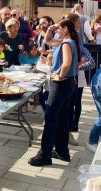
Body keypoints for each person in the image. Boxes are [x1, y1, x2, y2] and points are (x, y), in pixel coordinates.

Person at [29, 19, 80, 166]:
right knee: (62, 118)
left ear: (66, 29)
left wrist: (60, 76)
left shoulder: (66, 43)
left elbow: (67, 63)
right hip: (67, 84)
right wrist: (50, 29)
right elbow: (48, 41)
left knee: (51, 118)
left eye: (59, 28)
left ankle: (45, 156)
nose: (56, 30)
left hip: (61, 84)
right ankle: (62, 151)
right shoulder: (65, 41)